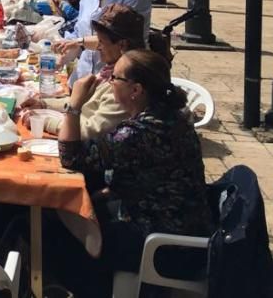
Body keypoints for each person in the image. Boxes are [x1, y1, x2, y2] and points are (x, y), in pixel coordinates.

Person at [47, 48, 211, 296]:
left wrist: (75, 105)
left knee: (52, 237)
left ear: (136, 90)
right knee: (67, 212)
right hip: (179, 223)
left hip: (165, 244)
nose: (110, 81)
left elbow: (71, 159)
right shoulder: (169, 116)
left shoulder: (140, 133)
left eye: (116, 77)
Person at [31, 4, 144, 138]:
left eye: (102, 42)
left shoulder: (123, 84)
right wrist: (42, 104)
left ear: (122, 45)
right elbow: (80, 102)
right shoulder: (108, 71)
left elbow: (91, 132)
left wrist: (44, 121)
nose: (98, 48)